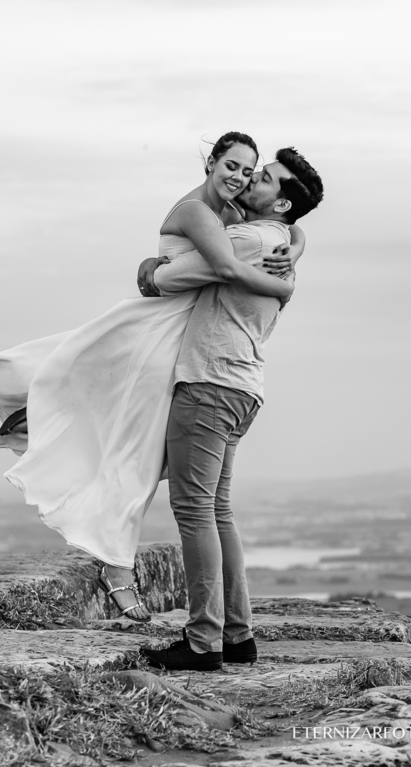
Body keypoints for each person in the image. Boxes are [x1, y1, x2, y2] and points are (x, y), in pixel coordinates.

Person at [0, 132, 307, 624]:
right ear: (211, 163)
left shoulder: (238, 218)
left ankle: (50, 425)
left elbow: (275, 230)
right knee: (135, 452)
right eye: (233, 166)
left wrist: (298, 242)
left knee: (141, 450)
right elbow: (221, 264)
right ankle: (116, 566)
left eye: (251, 171)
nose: (241, 177)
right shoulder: (201, 213)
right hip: (161, 331)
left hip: (182, 337)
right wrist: (283, 286)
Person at [136, 146, 323, 670]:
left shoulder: (242, 238)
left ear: (281, 203)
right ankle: (237, 637)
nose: (252, 181)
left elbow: (165, 279)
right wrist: (301, 245)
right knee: (217, 510)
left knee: (195, 511)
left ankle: (203, 643)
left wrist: (151, 267)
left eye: (264, 178)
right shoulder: (281, 239)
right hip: (244, 387)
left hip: (208, 383)